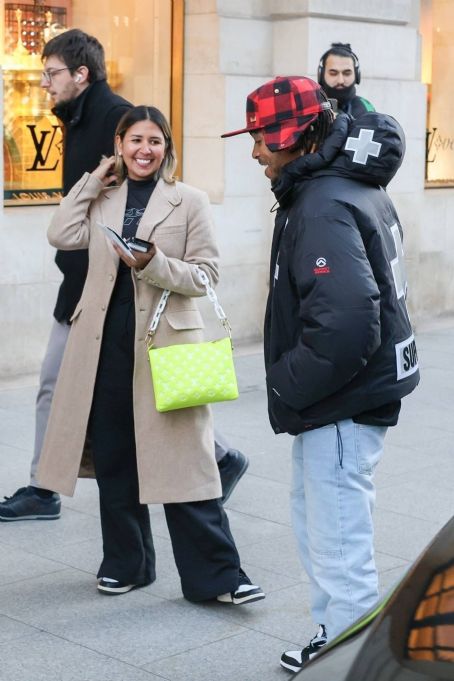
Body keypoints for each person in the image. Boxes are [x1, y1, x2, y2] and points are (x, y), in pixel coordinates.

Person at [0, 30, 246, 523]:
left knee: (118, 386)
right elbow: (66, 226)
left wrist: (149, 255)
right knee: (77, 384)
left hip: (126, 288)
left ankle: (47, 488)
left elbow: (160, 204)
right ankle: (218, 456)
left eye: (52, 73)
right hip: (86, 281)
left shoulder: (118, 117)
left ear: (81, 74)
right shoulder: (77, 118)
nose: (45, 83)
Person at [222, 76, 419, 671]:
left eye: (262, 138)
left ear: (296, 139)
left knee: (337, 540)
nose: (255, 151)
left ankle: (350, 656)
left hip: (342, 401)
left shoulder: (322, 203)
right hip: (347, 398)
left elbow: (349, 326)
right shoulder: (343, 188)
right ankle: (338, 639)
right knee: (324, 525)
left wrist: (285, 382)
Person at [35, 104, 265, 604]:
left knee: (188, 466)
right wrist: (94, 178)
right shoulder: (103, 197)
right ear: (120, 145)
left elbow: (206, 275)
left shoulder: (189, 201)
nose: (145, 150)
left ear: (167, 148)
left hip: (167, 347)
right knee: (116, 462)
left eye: (154, 141)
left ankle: (219, 577)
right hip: (101, 348)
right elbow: (61, 233)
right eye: (135, 140)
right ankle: (128, 563)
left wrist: (154, 263)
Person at [318, 42, 374, 117]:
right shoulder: (309, 106)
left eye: (347, 73)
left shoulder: (365, 107)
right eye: (333, 73)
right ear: (321, 74)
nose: (340, 80)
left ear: (357, 75)